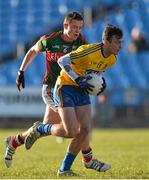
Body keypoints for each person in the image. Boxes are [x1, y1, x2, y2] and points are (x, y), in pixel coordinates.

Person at [24, 24, 123, 176]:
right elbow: (62, 61)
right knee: (70, 131)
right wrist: (78, 79)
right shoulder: (88, 51)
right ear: (106, 41)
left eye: (121, 42)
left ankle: (65, 169)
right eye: (117, 42)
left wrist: (100, 86)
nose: (120, 45)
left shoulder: (112, 59)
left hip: (81, 90)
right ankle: (40, 129)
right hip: (65, 86)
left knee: (85, 130)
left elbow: (94, 75)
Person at [4, 11, 88, 168]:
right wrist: (21, 72)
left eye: (80, 27)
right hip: (51, 89)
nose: (77, 31)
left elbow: (86, 60)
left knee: (45, 127)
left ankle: (14, 142)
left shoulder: (81, 41)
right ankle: (88, 159)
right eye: (74, 27)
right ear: (65, 25)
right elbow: (32, 51)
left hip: (66, 89)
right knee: (74, 126)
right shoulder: (51, 40)